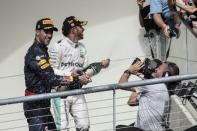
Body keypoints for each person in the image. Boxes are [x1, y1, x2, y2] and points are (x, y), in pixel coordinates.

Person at [23, 18, 90, 131]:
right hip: (35, 105)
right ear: (37, 32)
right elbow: (51, 79)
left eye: (51, 32)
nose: (49, 35)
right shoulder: (36, 52)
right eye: (46, 31)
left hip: (43, 103)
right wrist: (76, 79)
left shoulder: (42, 49)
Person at [48, 16, 110, 131]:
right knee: (62, 128)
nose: (83, 29)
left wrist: (88, 75)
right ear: (73, 29)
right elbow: (51, 71)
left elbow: (84, 69)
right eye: (80, 26)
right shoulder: (57, 46)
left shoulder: (82, 48)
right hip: (60, 94)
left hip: (77, 91)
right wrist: (70, 74)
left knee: (84, 126)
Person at [118, 60, 179, 131]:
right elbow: (131, 101)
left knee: (118, 128)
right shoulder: (164, 88)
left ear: (166, 75)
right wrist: (144, 77)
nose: (155, 69)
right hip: (156, 128)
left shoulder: (153, 85)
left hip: (146, 129)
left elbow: (121, 84)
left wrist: (129, 70)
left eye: (159, 68)